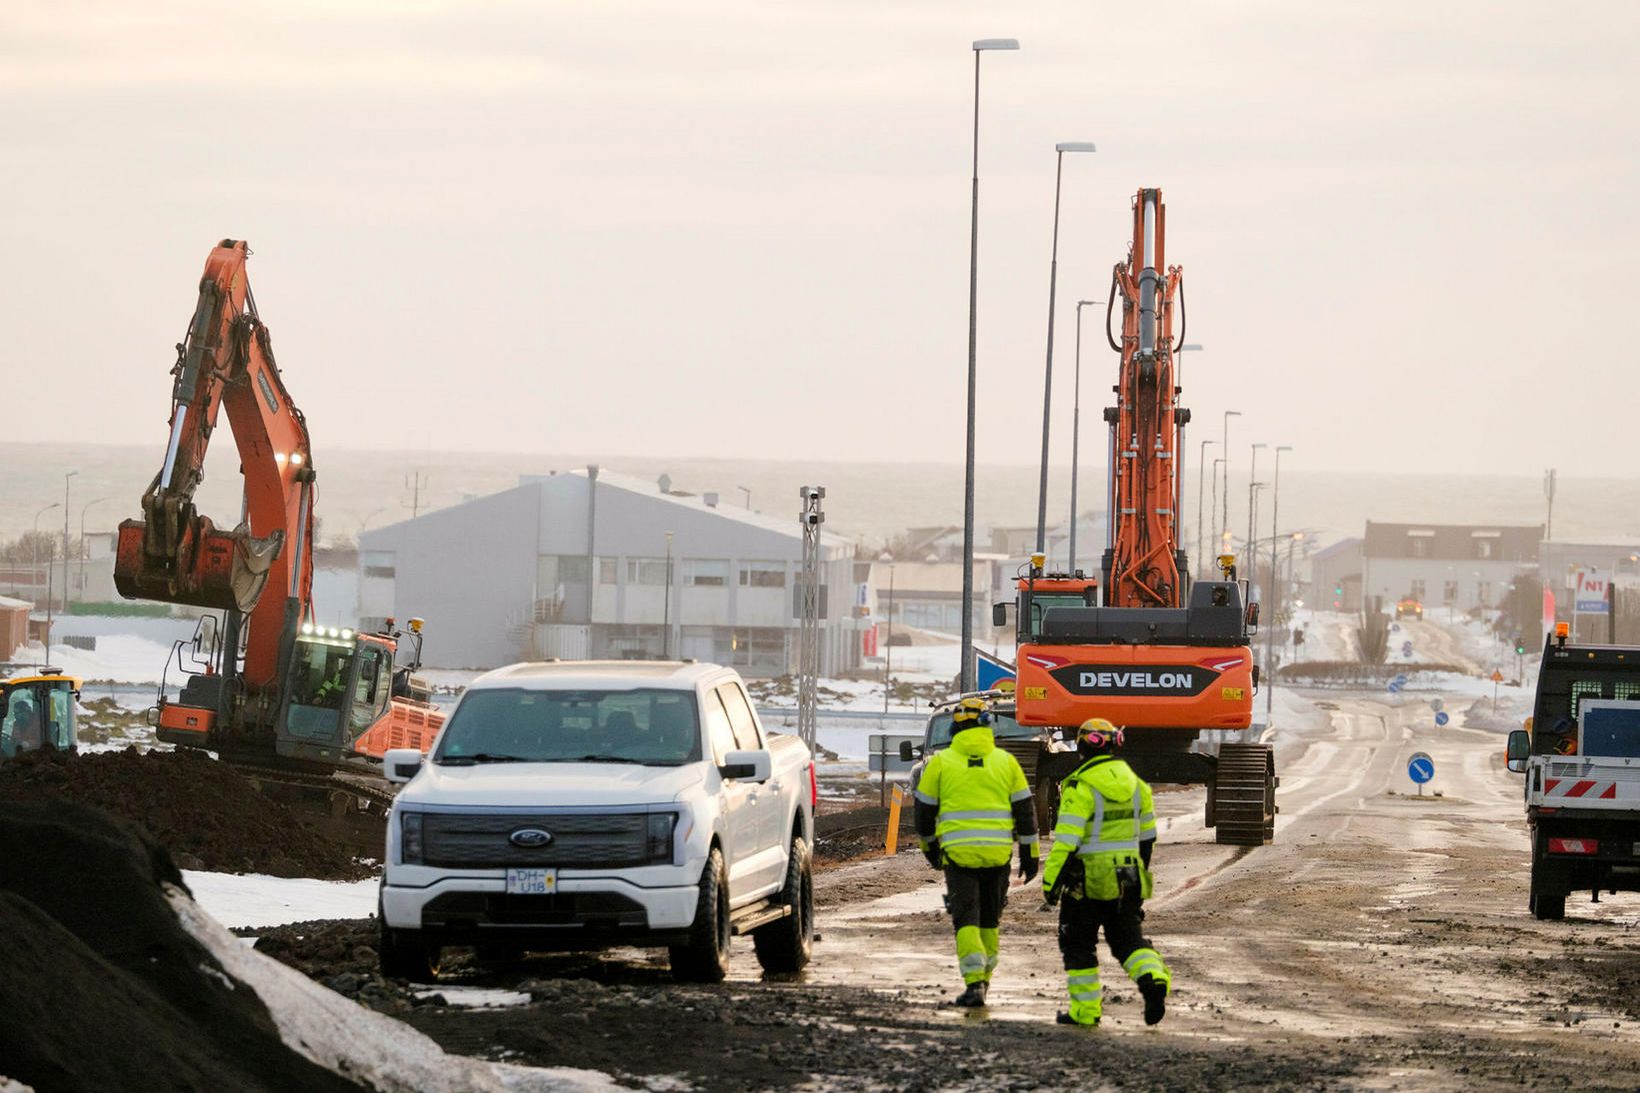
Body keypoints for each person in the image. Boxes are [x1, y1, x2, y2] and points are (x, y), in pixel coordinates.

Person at [1041, 717, 1170, 1028]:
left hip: (1087, 881)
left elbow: (1067, 842)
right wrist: (1138, 881)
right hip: (1129, 877)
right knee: (1128, 940)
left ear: (1081, 746)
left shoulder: (1080, 785)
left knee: (1078, 944)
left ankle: (1085, 1013)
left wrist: (1050, 884)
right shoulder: (1137, 784)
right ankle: (1153, 978)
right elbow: (1147, 840)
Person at [914, 696, 1039, 1008]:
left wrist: (930, 848)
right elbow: (1026, 813)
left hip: (958, 856)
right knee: (990, 920)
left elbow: (924, 814)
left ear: (956, 726)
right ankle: (985, 979)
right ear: (987, 724)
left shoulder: (941, 763)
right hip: (998, 855)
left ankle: (974, 985)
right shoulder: (1006, 762)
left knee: (966, 918)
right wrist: (1030, 855)